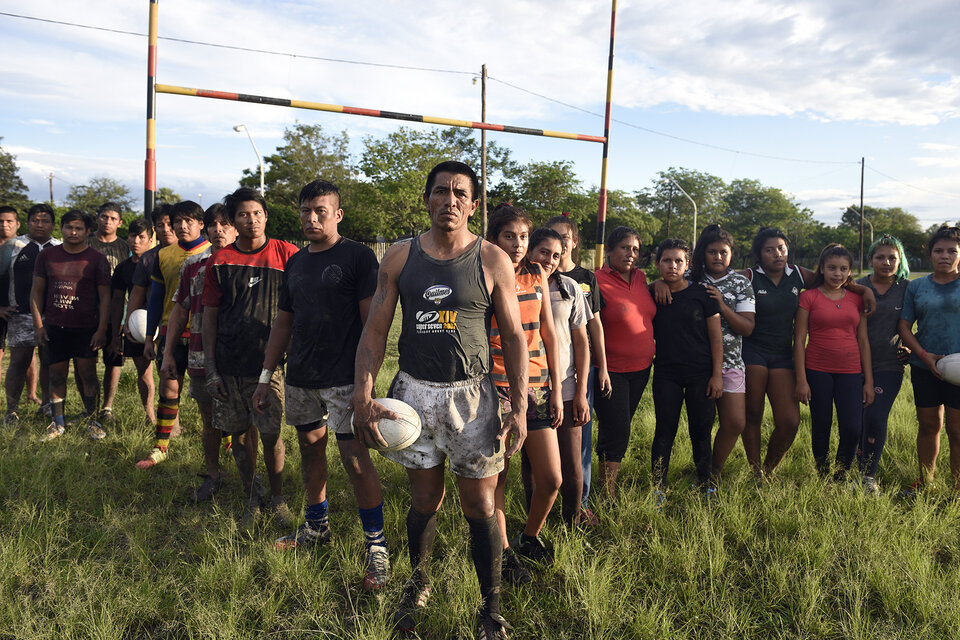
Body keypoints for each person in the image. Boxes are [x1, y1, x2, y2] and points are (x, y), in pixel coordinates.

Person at [352, 161, 527, 639]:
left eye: (460, 194)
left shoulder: (492, 259)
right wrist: (363, 396)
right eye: (441, 191)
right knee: (425, 499)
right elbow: (375, 331)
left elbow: (512, 336)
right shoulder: (399, 257)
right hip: (413, 394)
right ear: (427, 198)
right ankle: (419, 582)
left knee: (480, 504)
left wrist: (520, 406)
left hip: (472, 398)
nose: (450, 200)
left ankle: (490, 607)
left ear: (473, 205)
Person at [253, 179, 390, 592]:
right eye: (305, 211)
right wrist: (265, 377)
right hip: (301, 377)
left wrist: (363, 384)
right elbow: (284, 321)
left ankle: (376, 547)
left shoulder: (358, 257)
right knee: (310, 450)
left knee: (354, 460)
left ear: (337, 215)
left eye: (320, 212)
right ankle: (316, 527)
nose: (311, 219)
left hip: (344, 379)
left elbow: (374, 326)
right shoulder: (295, 262)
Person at [741, 227, 876, 476]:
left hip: (783, 354)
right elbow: (718, 277)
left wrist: (863, 290)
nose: (777, 254)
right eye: (769, 250)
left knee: (790, 421)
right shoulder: (748, 276)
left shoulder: (798, 275)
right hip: (753, 351)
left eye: (781, 248)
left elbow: (835, 280)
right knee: (753, 413)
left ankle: (769, 470)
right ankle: (755, 471)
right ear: (759, 254)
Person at [202, 187, 298, 526]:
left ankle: (278, 498)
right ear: (233, 221)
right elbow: (209, 316)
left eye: (257, 213)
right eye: (243, 214)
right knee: (240, 437)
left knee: (271, 436)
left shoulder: (287, 254)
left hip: (269, 367)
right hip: (229, 364)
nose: (251, 220)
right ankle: (252, 497)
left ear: (266, 216)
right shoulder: (220, 260)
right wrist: (212, 369)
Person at [486, 206, 563, 580]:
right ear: (493, 238)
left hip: (539, 388)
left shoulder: (537, 273)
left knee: (551, 478)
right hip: (496, 388)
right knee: (498, 476)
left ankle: (528, 537)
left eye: (523, 237)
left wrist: (558, 390)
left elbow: (549, 331)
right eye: (509, 236)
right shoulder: (481, 273)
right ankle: (503, 552)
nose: (517, 244)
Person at [161, 203, 242, 503]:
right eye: (213, 225)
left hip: (240, 358)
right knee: (209, 420)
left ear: (235, 228)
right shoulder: (193, 265)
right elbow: (179, 313)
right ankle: (213, 475)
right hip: (199, 355)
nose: (219, 230)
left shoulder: (247, 263)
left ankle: (250, 478)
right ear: (206, 229)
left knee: (245, 423)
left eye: (225, 224)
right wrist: (169, 354)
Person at [135, 201, 212, 468]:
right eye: (177, 221)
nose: (181, 226)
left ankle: (222, 445)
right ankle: (160, 447)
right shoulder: (163, 255)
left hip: (204, 334)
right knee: (169, 389)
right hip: (170, 334)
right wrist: (149, 337)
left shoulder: (214, 252)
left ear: (201, 224)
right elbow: (155, 299)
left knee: (210, 395)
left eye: (188, 221)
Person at [546, 215, 610, 524]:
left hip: (572, 378)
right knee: (540, 456)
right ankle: (542, 512)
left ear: (573, 242)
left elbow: (590, 330)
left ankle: (577, 508)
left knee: (578, 447)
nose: (558, 244)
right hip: (537, 382)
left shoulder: (581, 280)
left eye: (564, 238)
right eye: (552, 238)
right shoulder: (528, 280)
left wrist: (603, 367)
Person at [527, 227, 591, 524]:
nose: (550, 260)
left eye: (556, 254)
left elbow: (581, 341)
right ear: (529, 250)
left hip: (565, 384)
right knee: (532, 463)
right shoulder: (516, 284)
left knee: (571, 461)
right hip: (530, 385)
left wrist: (580, 392)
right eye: (543, 252)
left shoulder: (569, 288)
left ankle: (572, 521)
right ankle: (536, 523)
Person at [650, 238, 723, 495]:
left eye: (678, 261)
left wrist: (717, 375)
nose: (672, 266)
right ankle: (658, 488)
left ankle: (706, 485)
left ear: (687, 264)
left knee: (700, 431)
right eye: (666, 261)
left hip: (701, 374)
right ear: (658, 263)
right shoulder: (652, 293)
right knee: (664, 431)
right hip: (666, 373)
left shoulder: (702, 294)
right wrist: (656, 284)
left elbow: (716, 337)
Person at [30, 210, 111, 441]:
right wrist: (39, 325)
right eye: (69, 227)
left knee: (88, 375)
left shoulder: (96, 259)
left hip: (86, 328)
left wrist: (102, 329)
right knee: (56, 375)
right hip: (55, 327)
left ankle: (92, 420)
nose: (73, 232)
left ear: (87, 231)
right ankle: (58, 423)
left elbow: (105, 298)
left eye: (78, 228)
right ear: (61, 229)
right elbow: (36, 293)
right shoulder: (47, 256)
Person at [794, 244, 873, 479]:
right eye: (831, 268)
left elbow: (863, 340)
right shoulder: (808, 297)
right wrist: (801, 380)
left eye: (843, 268)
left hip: (850, 371)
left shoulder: (857, 299)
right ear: (822, 269)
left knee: (852, 428)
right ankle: (822, 473)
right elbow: (799, 340)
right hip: (817, 370)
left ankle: (840, 474)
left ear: (850, 271)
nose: (837, 274)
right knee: (822, 425)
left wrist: (868, 381)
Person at [592, 226, 656, 498]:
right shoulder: (595, 280)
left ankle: (604, 475)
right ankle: (607, 493)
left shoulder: (642, 278)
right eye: (624, 248)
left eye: (635, 250)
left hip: (641, 370)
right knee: (618, 430)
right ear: (609, 250)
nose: (631, 254)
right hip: (610, 370)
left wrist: (661, 284)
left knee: (620, 425)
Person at [688, 225, 755, 478]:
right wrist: (659, 285)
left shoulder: (741, 282)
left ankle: (715, 469)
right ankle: (701, 472)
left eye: (723, 252)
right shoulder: (691, 277)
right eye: (712, 252)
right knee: (701, 426)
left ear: (731, 254)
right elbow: (659, 284)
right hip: (698, 363)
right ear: (702, 253)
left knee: (735, 422)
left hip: (731, 362)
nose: (717, 257)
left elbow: (747, 327)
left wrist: (722, 305)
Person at [897, 225, 960, 493]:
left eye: (952, 251)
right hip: (924, 366)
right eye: (938, 250)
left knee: (957, 432)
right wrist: (924, 356)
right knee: (928, 425)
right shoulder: (917, 286)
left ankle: (957, 489)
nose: (944, 255)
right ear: (930, 254)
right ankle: (925, 482)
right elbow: (904, 327)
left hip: (958, 370)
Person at [856, 235, 910, 494]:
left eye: (892, 257)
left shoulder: (908, 288)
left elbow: (922, 322)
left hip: (889, 365)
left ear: (900, 261)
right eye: (880, 257)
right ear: (870, 260)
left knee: (876, 417)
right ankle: (853, 472)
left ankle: (868, 476)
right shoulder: (857, 286)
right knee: (858, 420)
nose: (886, 262)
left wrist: (911, 347)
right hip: (854, 364)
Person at [3, 204, 60, 426]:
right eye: (35, 220)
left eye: (45, 221)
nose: (40, 224)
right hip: (20, 315)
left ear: (53, 224)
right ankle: (11, 410)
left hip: (53, 317)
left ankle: (47, 405)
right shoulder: (13, 245)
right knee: (19, 361)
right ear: (27, 223)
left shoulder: (59, 247)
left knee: (49, 361)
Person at [109, 218, 157, 425]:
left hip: (162, 323)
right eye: (132, 236)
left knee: (168, 373)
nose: (135, 241)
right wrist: (119, 329)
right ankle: (150, 416)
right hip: (137, 326)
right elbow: (118, 301)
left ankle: (171, 417)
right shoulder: (122, 269)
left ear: (150, 239)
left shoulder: (159, 260)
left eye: (141, 237)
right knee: (144, 372)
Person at [87, 202, 130, 424]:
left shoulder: (125, 247)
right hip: (86, 311)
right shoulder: (86, 243)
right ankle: (90, 406)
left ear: (120, 222)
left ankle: (107, 406)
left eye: (113, 218)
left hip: (116, 312)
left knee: (114, 361)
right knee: (86, 360)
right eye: (104, 217)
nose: (108, 221)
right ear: (97, 218)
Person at [0, 206, 23, 411]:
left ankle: (32, 394)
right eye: (1, 221)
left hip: (18, 308)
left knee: (25, 355)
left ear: (18, 224)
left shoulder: (24, 247)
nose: (4, 225)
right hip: (1, 309)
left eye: (9, 221)